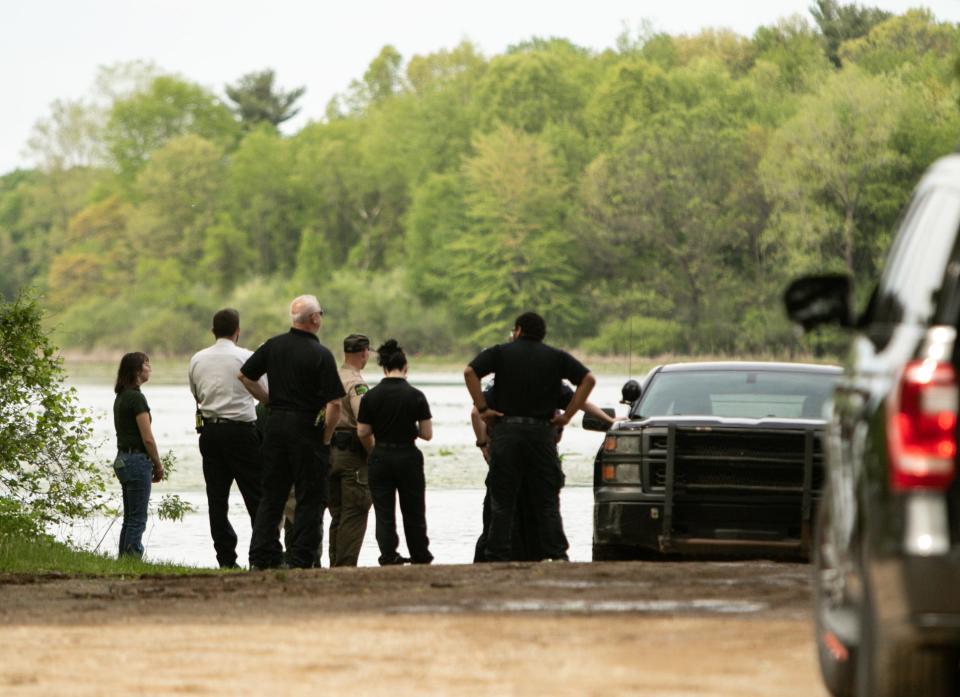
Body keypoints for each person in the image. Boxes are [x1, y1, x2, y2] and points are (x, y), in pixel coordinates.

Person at [464, 311, 596, 562]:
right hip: (541, 434)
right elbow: (588, 380)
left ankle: (496, 554)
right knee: (547, 498)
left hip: (507, 432)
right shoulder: (556, 357)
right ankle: (556, 554)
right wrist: (567, 416)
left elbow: (470, 372)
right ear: (542, 334)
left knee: (502, 499)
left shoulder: (501, 352)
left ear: (519, 330)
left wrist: (483, 409)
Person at [239, 295, 345, 570]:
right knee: (310, 496)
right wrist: (325, 437)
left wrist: (268, 401)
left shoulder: (274, 346)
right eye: (320, 313)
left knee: (272, 494)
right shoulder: (320, 354)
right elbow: (335, 404)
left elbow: (245, 376)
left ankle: (263, 556)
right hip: (306, 429)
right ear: (314, 319)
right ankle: (300, 558)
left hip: (275, 427)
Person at [471, 381, 616, 562]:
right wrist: (609, 420)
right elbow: (581, 400)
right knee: (542, 511)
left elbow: (476, 412)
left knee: (498, 513)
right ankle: (553, 556)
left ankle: (492, 558)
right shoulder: (550, 378)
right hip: (539, 461)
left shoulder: (502, 383)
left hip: (505, 458)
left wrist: (484, 445)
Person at [188, 308, 264, 569]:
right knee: (256, 495)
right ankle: (260, 556)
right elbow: (263, 391)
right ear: (238, 331)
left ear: (212, 331)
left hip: (210, 432)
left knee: (217, 500)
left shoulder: (197, 359)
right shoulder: (246, 357)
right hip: (242, 431)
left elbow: (197, 394)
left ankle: (226, 560)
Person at [357, 340, 433, 566]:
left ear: (384, 368)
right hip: (408, 456)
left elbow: (362, 431)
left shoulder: (371, 396)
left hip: (381, 456)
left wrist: (374, 449)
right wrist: (412, 430)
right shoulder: (416, 395)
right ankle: (420, 554)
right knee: (414, 509)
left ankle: (389, 555)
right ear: (405, 366)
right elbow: (427, 434)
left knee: (384, 511)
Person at [328, 333, 374, 567]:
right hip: (353, 454)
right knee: (355, 512)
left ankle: (334, 562)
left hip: (330, 450)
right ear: (364, 353)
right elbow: (363, 421)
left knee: (337, 513)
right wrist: (374, 454)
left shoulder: (331, 376)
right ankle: (345, 567)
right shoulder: (357, 383)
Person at [112, 352, 164, 558]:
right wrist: (157, 464)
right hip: (136, 461)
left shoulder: (122, 396)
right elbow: (148, 438)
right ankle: (132, 558)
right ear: (137, 370)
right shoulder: (136, 398)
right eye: (146, 364)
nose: (150, 368)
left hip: (122, 459)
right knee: (138, 518)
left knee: (129, 517)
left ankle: (124, 558)